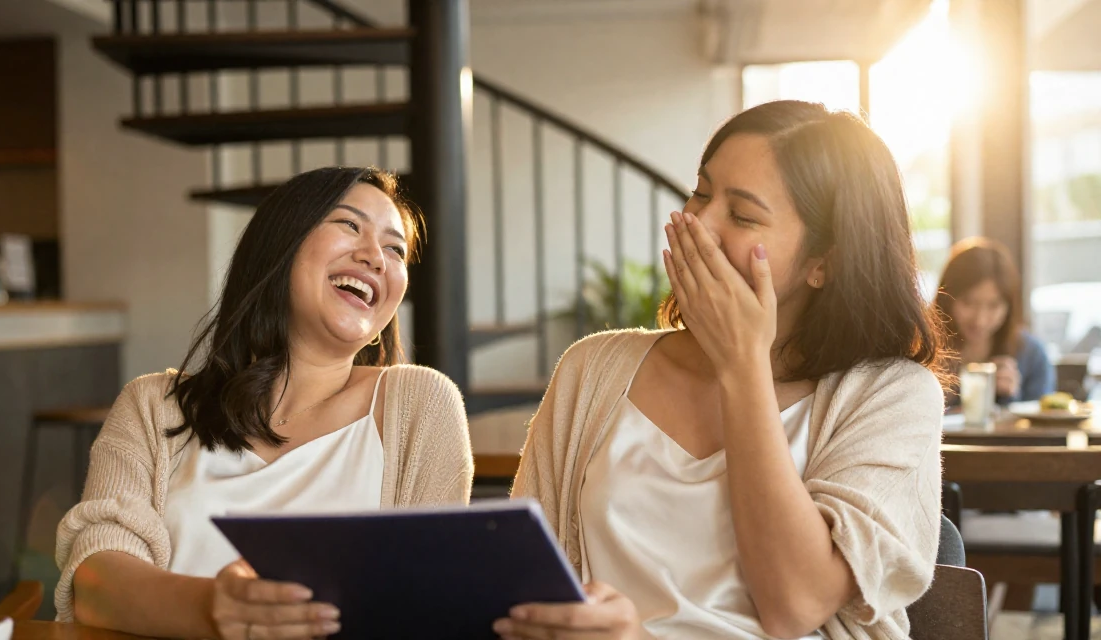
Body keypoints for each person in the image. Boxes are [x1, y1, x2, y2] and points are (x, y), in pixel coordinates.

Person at [496, 101, 948, 640]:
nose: (697, 224)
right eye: (702, 192)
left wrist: (742, 367)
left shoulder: (893, 395)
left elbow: (794, 607)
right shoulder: (591, 369)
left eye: (742, 215)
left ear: (821, 262)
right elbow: (523, 587)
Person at [54, 167, 472, 639]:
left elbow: (433, 606)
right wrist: (216, 609)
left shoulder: (421, 406)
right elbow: (94, 580)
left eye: (395, 249)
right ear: (280, 244)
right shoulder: (154, 406)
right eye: (349, 225)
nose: (375, 256)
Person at [935, 237, 1056, 406]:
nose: (980, 320)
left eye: (994, 305)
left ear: (1010, 306)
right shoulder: (925, 352)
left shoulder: (1030, 354)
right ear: (946, 298)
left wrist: (1011, 399)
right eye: (968, 302)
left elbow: (1046, 424)